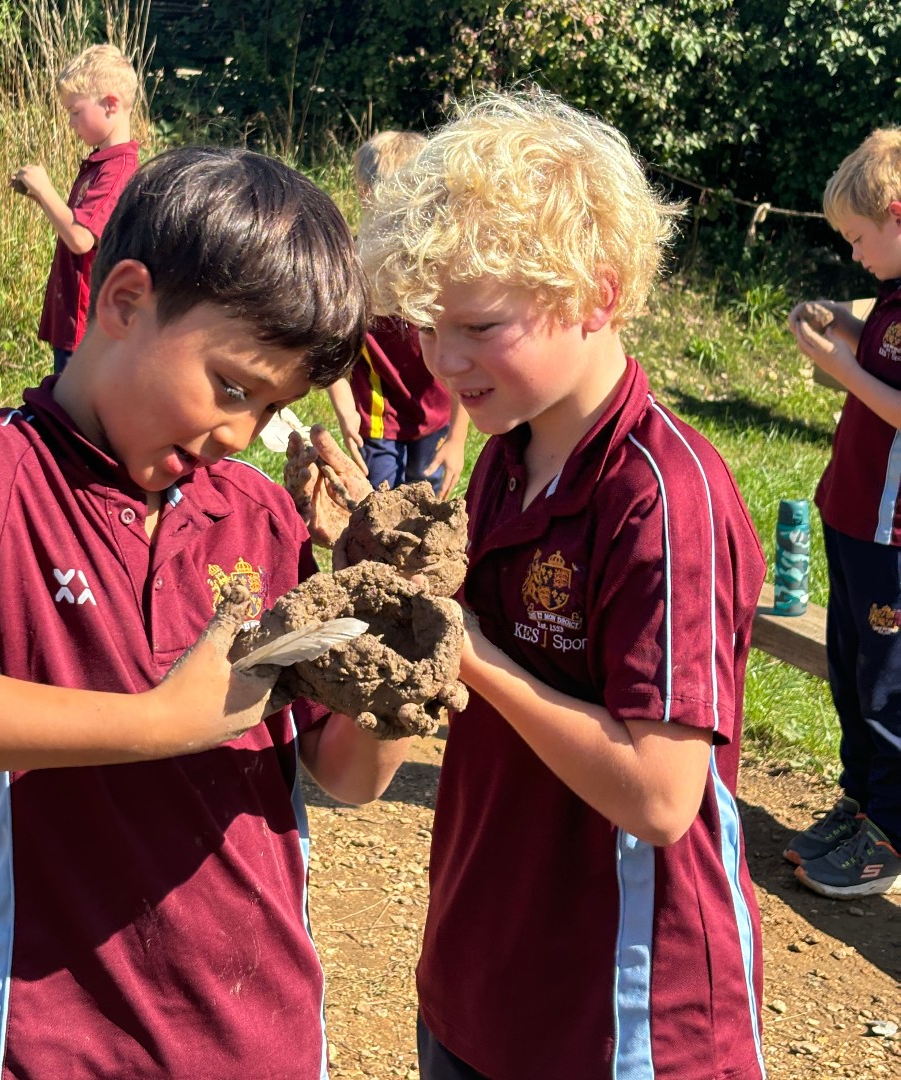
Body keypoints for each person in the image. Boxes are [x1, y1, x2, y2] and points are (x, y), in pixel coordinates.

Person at [0, 146, 410, 1078]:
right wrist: (158, 723)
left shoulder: (256, 514)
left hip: (262, 1041)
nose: (237, 435)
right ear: (125, 300)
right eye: (229, 386)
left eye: (267, 410)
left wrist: (391, 649)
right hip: (45, 1043)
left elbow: (347, 773)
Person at [289, 92, 767, 1079]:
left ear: (596, 293)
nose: (443, 361)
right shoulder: (508, 455)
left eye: (478, 326)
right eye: (426, 327)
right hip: (481, 977)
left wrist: (471, 654)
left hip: (622, 1016)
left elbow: (663, 795)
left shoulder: (662, 496)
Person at [786, 127, 901, 899]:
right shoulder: (894, 292)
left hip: (893, 533)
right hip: (852, 513)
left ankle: (890, 836)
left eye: (859, 239)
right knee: (851, 671)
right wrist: (847, 322)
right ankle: (860, 802)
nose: (856, 257)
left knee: (890, 686)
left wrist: (838, 365)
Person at [326, 130, 468, 499]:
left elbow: (463, 357)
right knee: (378, 508)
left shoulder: (441, 273)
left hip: (435, 417)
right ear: (365, 194)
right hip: (375, 420)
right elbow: (326, 349)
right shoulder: (350, 272)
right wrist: (346, 413)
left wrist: (457, 438)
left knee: (424, 512)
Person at [11, 43, 140, 374]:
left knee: (73, 415)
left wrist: (45, 189)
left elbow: (81, 238)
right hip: (75, 317)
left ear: (111, 104)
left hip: (87, 322)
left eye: (74, 111)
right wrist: (39, 197)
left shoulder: (118, 171)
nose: (70, 123)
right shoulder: (102, 165)